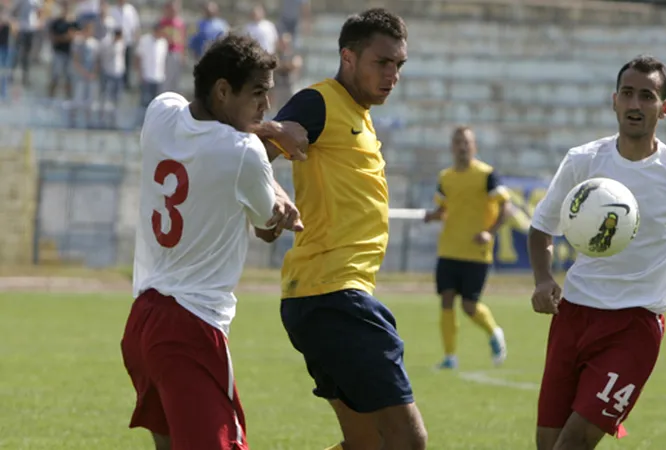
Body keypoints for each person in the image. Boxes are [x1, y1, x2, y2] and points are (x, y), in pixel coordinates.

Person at [527, 55, 666, 450]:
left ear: (664, 108)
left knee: (572, 444)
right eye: (627, 93)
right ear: (614, 101)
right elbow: (541, 227)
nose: (635, 104)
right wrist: (543, 280)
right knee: (548, 443)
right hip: (572, 316)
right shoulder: (583, 161)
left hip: (634, 328)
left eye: (647, 96)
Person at [120, 33, 308, 450]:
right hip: (191, 325)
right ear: (223, 90)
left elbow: (219, 140)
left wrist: (266, 138)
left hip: (143, 319)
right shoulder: (243, 152)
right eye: (257, 93)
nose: (266, 106)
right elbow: (266, 227)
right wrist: (277, 145)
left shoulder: (159, 111)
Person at [269, 8, 427, 450]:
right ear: (348, 58)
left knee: (366, 445)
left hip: (322, 297)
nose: (393, 75)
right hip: (334, 295)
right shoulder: (318, 102)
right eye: (382, 62)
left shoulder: (360, 113)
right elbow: (256, 150)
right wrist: (274, 197)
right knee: (407, 442)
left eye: (399, 64)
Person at [423, 125, 510, 370]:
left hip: (476, 252)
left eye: (466, 142)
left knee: (469, 306)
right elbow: (444, 209)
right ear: (452, 147)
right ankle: (450, 357)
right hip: (449, 249)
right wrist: (433, 216)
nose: (462, 147)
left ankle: (494, 332)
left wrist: (489, 232)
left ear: (474, 146)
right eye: (458, 142)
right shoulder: (446, 177)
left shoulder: (487, 175)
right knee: (446, 300)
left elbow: (506, 207)